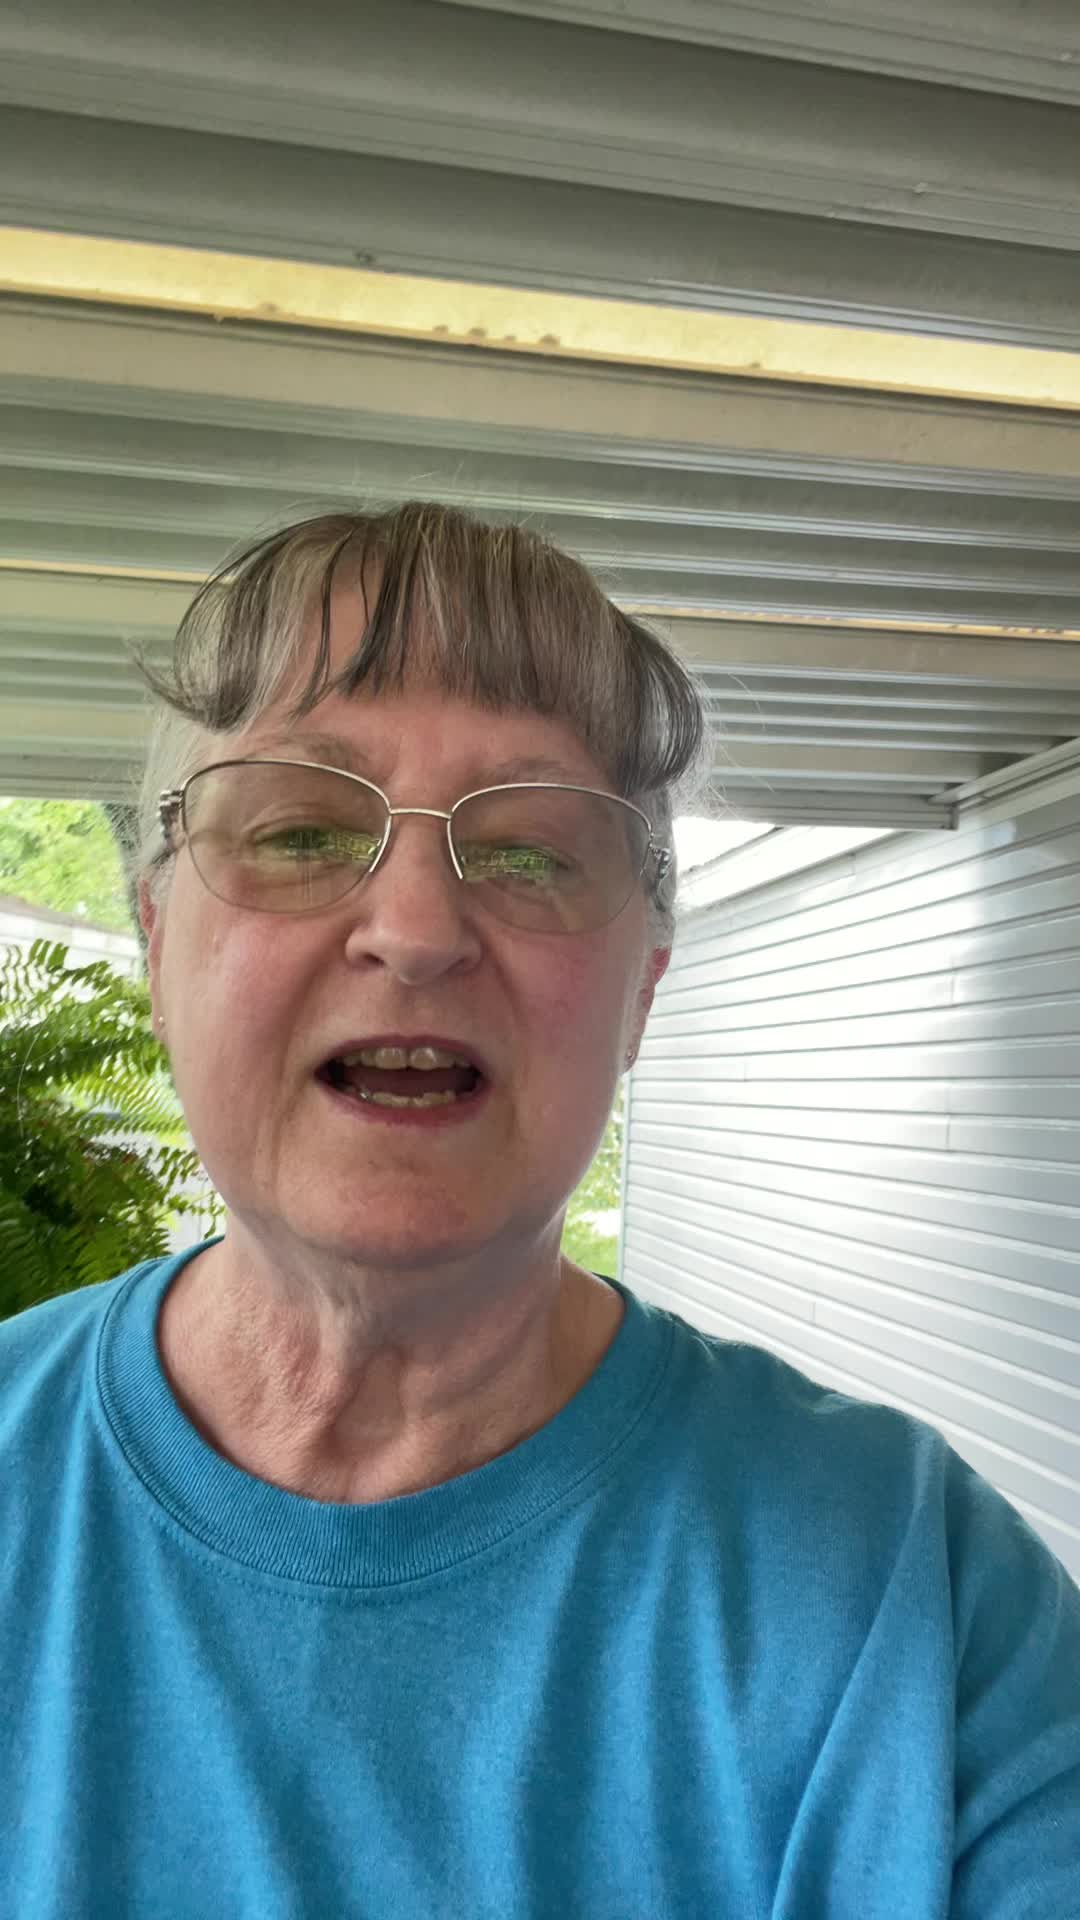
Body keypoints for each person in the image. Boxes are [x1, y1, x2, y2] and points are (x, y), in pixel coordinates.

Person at [2, 503, 1077, 1920]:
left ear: (640, 993)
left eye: (528, 852)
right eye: (302, 830)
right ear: (156, 943)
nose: (417, 930)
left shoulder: (920, 1598)